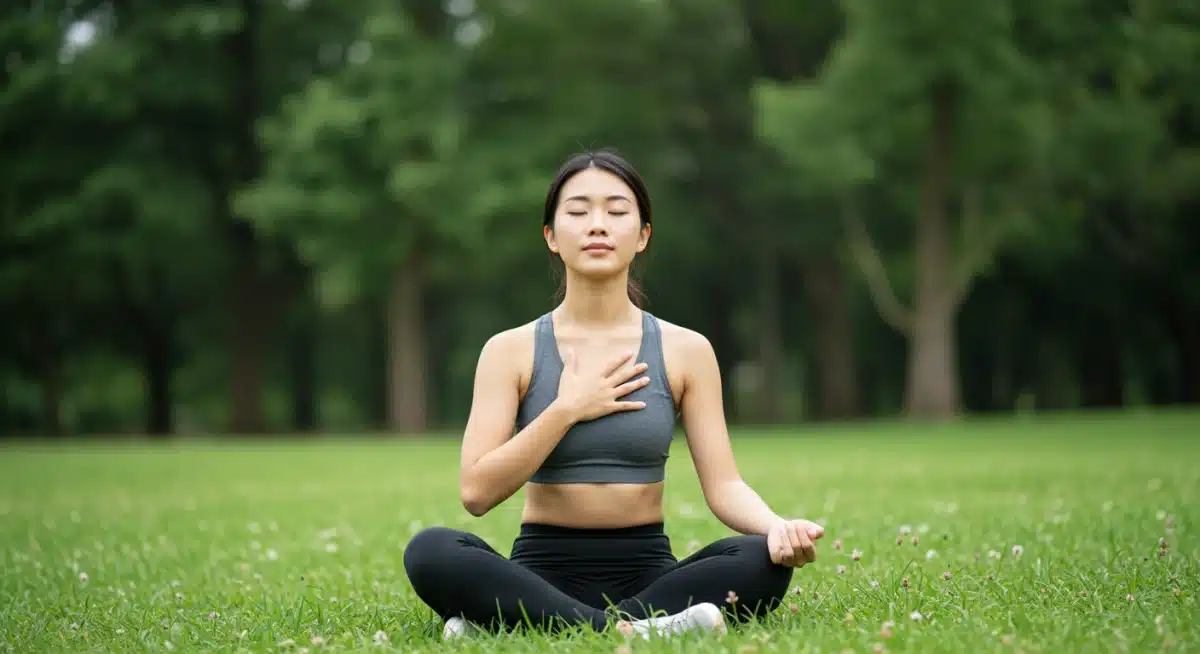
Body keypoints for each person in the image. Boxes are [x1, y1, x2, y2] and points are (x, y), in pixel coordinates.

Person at [402, 149, 825, 641]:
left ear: (642, 235)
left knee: (759, 559)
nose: (597, 225)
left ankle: (522, 624)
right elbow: (477, 493)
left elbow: (724, 485)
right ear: (551, 236)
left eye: (617, 211)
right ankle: (637, 630)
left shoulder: (687, 350)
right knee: (430, 551)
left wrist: (776, 527)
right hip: (539, 571)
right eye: (578, 211)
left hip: (648, 573)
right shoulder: (509, 351)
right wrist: (566, 409)